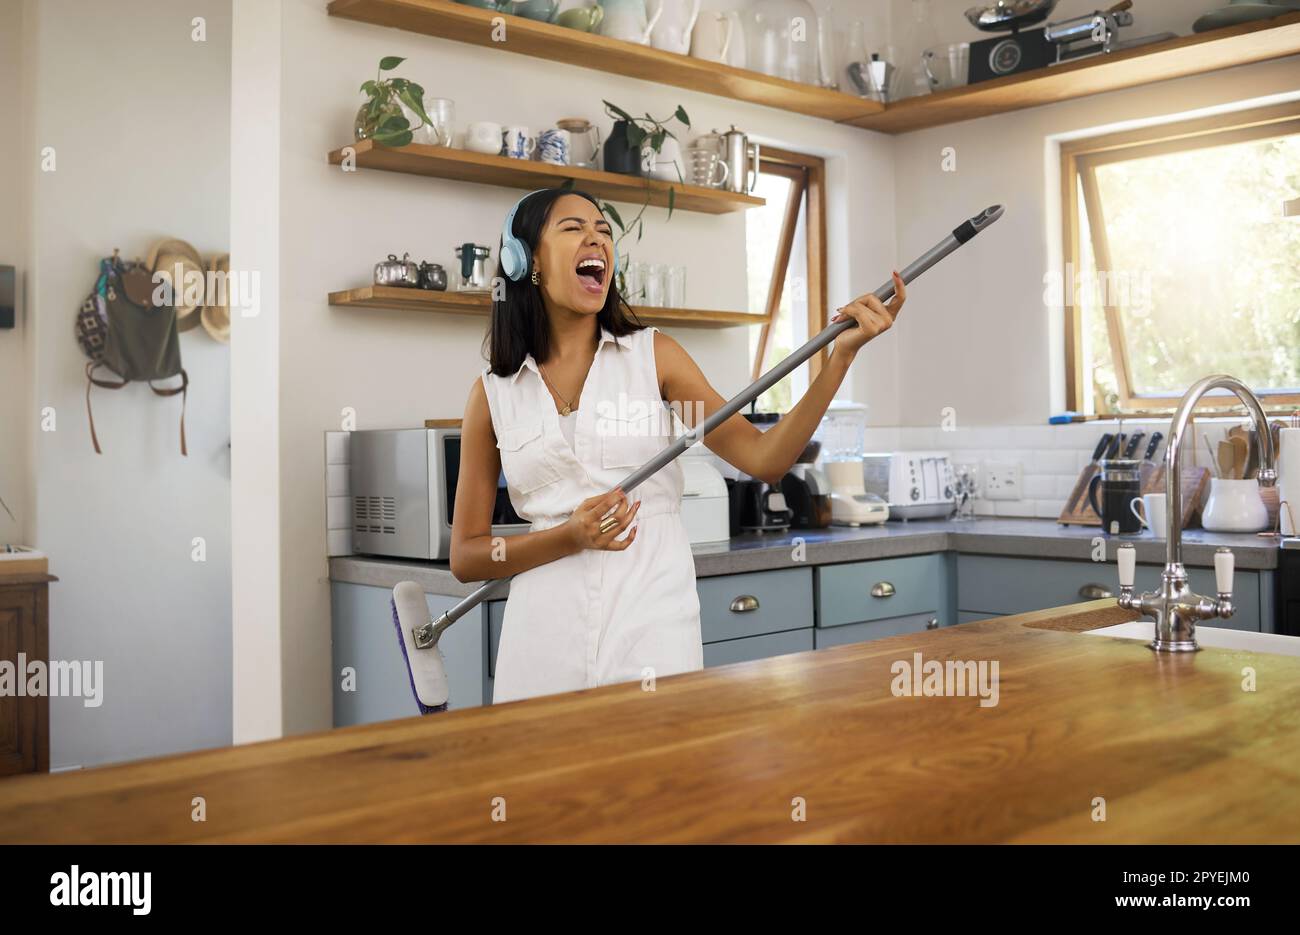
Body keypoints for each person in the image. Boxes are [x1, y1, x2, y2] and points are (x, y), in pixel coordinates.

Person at [451, 188, 905, 703]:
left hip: (651, 628)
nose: (596, 238)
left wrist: (839, 360)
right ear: (526, 260)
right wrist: (568, 537)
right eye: (573, 228)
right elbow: (467, 556)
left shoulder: (656, 363)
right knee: (542, 783)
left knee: (659, 779)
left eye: (603, 230)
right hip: (541, 643)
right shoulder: (493, 396)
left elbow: (764, 458)